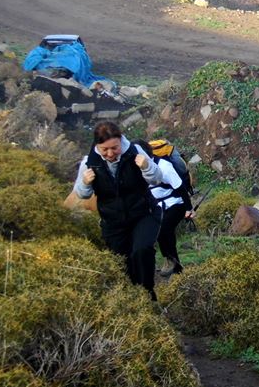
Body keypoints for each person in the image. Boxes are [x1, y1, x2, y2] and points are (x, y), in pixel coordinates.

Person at [74, 121, 164, 300]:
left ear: (120, 140)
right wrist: (85, 182)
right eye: (104, 149)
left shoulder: (135, 151)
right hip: (113, 221)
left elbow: (157, 179)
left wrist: (146, 166)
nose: (109, 153)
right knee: (121, 261)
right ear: (97, 146)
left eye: (114, 148)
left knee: (141, 250)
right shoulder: (89, 163)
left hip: (143, 213)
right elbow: (82, 195)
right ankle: (132, 298)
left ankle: (147, 294)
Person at [134, 139, 194, 277]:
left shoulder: (164, 166)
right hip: (158, 206)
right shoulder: (137, 170)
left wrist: (189, 209)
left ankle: (171, 261)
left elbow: (181, 188)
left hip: (177, 203)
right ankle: (174, 264)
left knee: (163, 228)